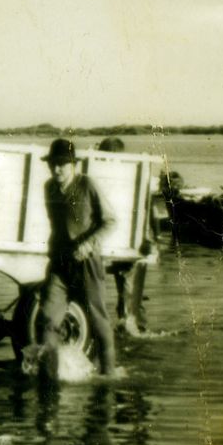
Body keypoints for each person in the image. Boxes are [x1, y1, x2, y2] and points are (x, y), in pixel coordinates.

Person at [39, 138, 118, 375]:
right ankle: (49, 379)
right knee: (48, 317)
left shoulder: (87, 185)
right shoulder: (49, 188)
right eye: (53, 164)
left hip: (87, 262)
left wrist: (88, 244)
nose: (57, 169)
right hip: (60, 262)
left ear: (74, 165)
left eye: (62, 164)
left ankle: (109, 375)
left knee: (97, 318)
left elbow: (110, 221)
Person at [97, 136, 157, 335]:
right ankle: (134, 329)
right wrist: (154, 238)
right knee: (129, 292)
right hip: (130, 243)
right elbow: (149, 209)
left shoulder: (99, 174)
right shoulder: (132, 174)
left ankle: (132, 329)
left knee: (128, 292)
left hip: (121, 244)